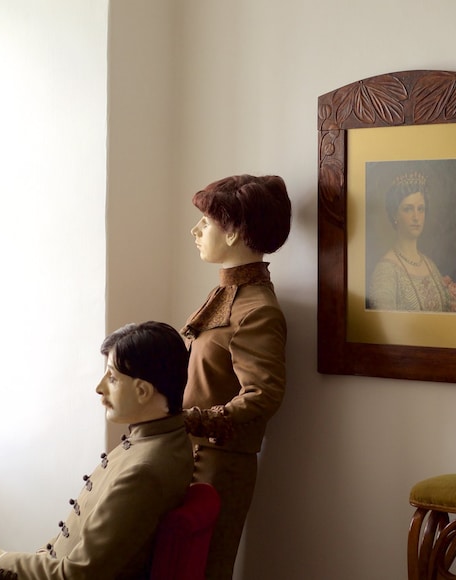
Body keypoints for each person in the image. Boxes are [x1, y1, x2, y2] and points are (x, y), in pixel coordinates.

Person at [0, 321, 193, 579]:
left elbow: (78, 575)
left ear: (142, 391)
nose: (99, 387)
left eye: (112, 377)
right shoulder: (166, 440)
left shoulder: (143, 471)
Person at [181, 174, 290, 580]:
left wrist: (192, 420)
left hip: (218, 468)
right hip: (188, 458)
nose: (196, 230)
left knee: (205, 571)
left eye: (205, 223)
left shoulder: (257, 309)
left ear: (233, 233)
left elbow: (263, 394)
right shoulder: (227, 294)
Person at [366, 171, 456, 312]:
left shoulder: (429, 264)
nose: (416, 217)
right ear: (394, 214)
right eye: (408, 209)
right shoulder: (385, 271)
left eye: (421, 209)